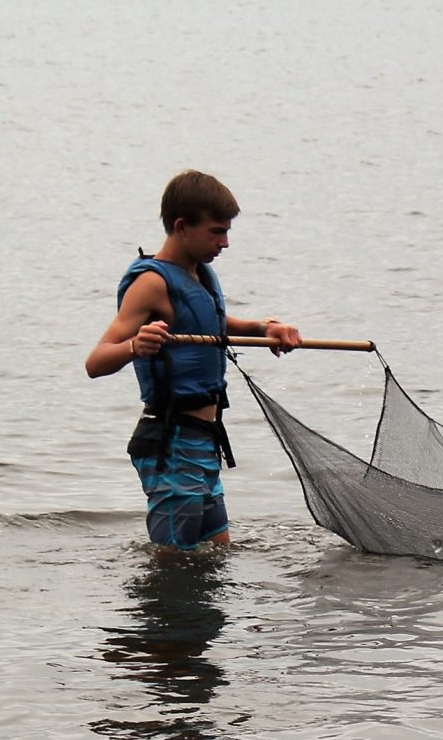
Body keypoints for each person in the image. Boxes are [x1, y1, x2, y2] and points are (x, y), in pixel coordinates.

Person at [86, 170, 303, 550]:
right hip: (171, 444)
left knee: (217, 553)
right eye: (217, 232)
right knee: (172, 564)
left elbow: (210, 322)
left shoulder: (200, 274)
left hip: (204, 441)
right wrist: (135, 345)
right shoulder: (152, 283)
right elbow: (96, 361)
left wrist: (263, 327)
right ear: (182, 226)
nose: (225, 242)